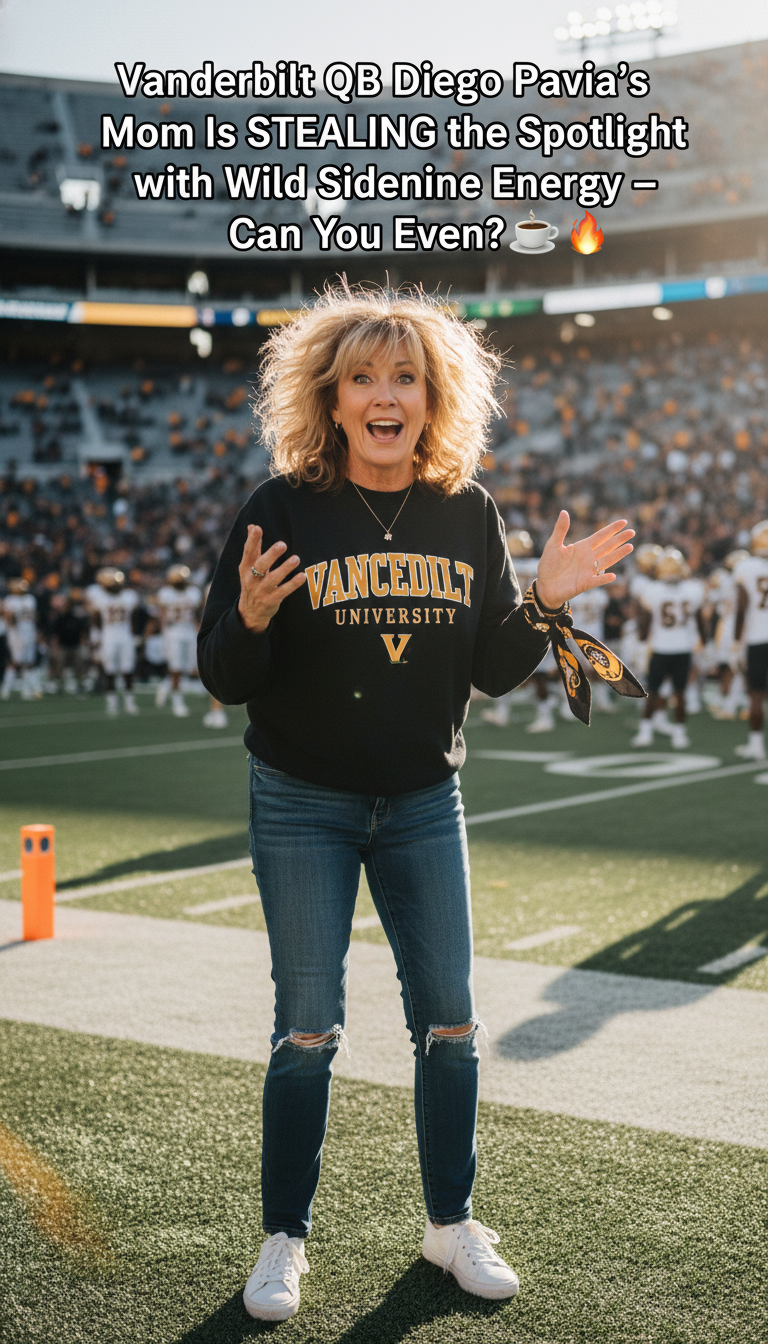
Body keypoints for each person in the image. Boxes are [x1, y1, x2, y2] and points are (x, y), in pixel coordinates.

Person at [198, 286, 634, 1323]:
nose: (386, 395)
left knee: (451, 1021)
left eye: (406, 377)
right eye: (364, 378)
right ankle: (285, 1238)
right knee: (307, 1028)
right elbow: (224, 674)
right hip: (302, 799)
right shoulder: (279, 508)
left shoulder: (466, 510)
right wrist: (251, 618)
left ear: (434, 398)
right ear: (332, 398)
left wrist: (544, 602)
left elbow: (490, 668)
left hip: (425, 801)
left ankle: (450, 1225)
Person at [631, 546, 706, 750]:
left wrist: (641, 643)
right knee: (679, 693)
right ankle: (679, 734)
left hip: (661, 647)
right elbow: (700, 621)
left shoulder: (652, 590)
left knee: (653, 692)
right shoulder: (694, 589)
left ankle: (646, 731)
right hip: (683, 647)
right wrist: (705, 643)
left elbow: (645, 624)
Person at [733, 519, 768, 760]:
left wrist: (736, 642)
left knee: (756, 693)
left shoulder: (745, 567)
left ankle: (756, 746)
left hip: (757, 638)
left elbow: (742, 609)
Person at [85, 567, 140, 715]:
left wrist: (135, 634)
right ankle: (112, 701)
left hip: (125, 635)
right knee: (110, 670)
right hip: (109, 636)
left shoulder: (129, 595)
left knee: (128, 669)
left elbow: (135, 617)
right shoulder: (100, 597)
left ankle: (129, 701)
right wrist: (95, 636)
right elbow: (95, 619)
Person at [154, 564, 202, 717]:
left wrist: (198, 629)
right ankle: (177, 701)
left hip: (188, 630)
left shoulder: (193, 593)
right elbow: (161, 615)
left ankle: (164, 687)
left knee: (189, 667)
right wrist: (165, 633)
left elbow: (197, 614)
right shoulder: (165, 593)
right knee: (176, 668)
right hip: (173, 631)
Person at [1, 577, 39, 700]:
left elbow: (33, 617)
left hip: (28, 632)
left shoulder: (29, 599)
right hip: (17, 634)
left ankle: (29, 689)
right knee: (15, 662)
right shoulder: (13, 600)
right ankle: (6, 689)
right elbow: (9, 618)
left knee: (28, 662)